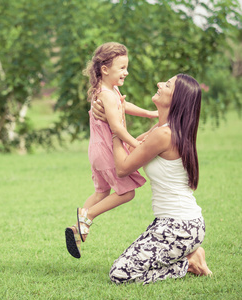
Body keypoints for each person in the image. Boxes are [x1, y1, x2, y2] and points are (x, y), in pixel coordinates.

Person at [92, 73, 212, 284]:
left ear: (176, 99)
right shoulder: (160, 130)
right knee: (127, 264)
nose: (159, 84)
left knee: (120, 274)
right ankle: (190, 254)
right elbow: (128, 149)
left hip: (179, 227)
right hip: (172, 224)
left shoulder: (164, 135)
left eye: (167, 85)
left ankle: (189, 263)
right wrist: (114, 119)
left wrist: (115, 127)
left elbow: (122, 168)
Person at [65, 42, 158, 259]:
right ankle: (87, 217)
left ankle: (76, 230)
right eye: (122, 68)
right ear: (105, 69)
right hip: (107, 150)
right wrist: (137, 146)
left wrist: (150, 114)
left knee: (101, 192)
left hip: (96, 151)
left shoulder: (108, 90)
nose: (126, 72)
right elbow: (116, 127)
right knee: (127, 192)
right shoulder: (106, 94)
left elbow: (123, 106)